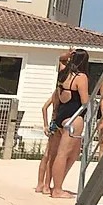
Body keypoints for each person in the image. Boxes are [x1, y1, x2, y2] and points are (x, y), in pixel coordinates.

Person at [47, 49, 90, 199]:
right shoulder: (81, 77)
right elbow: (84, 102)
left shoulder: (63, 73)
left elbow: (60, 59)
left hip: (61, 116)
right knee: (64, 154)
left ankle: (57, 185)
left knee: (73, 153)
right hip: (74, 118)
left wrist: (67, 54)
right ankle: (57, 189)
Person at [37, 49, 73, 193]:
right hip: (56, 122)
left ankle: (40, 184)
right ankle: (46, 185)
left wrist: (46, 124)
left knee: (47, 155)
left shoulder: (57, 91)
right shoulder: (60, 91)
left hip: (53, 122)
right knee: (52, 156)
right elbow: (45, 107)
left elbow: (44, 108)